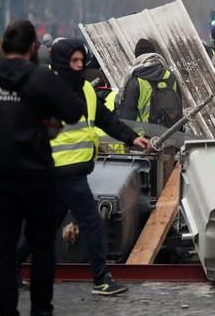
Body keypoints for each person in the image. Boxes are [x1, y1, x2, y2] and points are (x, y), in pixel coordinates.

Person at [16, 39, 149, 297]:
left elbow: (106, 120)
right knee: (91, 222)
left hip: (72, 172)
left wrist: (132, 138)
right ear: (61, 64)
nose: (79, 66)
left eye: (81, 61)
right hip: (62, 173)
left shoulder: (87, 90)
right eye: (74, 61)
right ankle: (101, 279)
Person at [0, 21, 85, 316]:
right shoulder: (39, 77)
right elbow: (74, 111)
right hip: (33, 173)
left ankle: (7, 312)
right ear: (33, 48)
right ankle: (40, 311)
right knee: (42, 246)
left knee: (2, 251)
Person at [117, 38, 182, 128]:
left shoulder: (135, 81)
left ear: (137, 57)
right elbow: (179, 108)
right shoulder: (170, 76)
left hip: (144, 138)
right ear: (154, 54)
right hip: (170, 135)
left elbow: (127, 117)